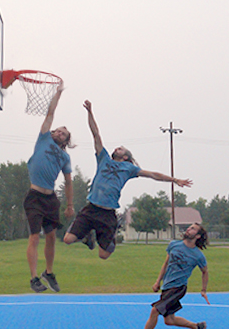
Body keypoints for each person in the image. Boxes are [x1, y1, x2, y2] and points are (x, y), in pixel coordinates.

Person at [63, 99, 192, 259]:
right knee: (68, 239)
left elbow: (153, 175)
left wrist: (174, 180)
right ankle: (88, 236)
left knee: (104, 255)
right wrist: (90, 112)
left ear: (125, 156)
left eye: (121, 148)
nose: (118, 147)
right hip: (91, 209)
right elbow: (96, 134)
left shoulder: (130, 169)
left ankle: (107, 236)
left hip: (107, 214)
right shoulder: (103, 159)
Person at [24, 81, 75, 293]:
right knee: (35, 236)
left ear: (66, 140)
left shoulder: (64, 156)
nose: (59, 133)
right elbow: (50, 113)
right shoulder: (44, 138)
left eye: (63, 133)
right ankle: (34, 278)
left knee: (52, 236)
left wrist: (70, 204)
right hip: (35, 196)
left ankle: (49, 272)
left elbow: (69, 180)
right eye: (58, 130)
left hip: (51, 199)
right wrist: (58, 93)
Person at [127, 223, 209, 329]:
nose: (189, 229)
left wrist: (203, 290)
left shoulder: (198, 255)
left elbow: (205, 271)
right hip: (167, 286)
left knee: (155, 310)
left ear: (198, 236)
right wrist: (158, 281)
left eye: (193, 228)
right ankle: (197, 327)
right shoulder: (174, 245)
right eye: (189, 227)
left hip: (178, 288)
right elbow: (166, 264)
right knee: (169, 320)